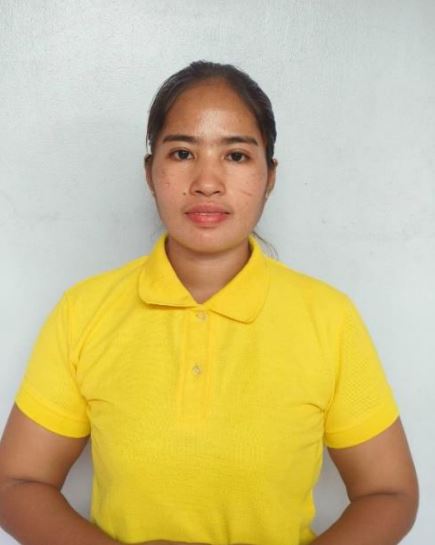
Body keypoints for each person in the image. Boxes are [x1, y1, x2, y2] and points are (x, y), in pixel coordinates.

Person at [0, 61, 418, 545]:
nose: (207, 182)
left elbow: (389, 493)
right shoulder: (84, 311)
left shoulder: (329, 318)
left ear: (270, 176)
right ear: (150, 172)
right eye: (182, 153)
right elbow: (17, 483)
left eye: (236, 155)